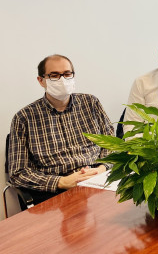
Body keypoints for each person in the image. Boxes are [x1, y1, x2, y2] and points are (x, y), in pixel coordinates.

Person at [9, 54, 114, 205]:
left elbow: (113, 144)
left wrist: (102, 169)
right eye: (54, 75)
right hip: (55, 191)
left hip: (98, 179)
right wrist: (61, 182)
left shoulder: (91, 103)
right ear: (41, 80)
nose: (62, 80)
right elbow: (18, 173)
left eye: (67, 74)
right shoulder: (24, 117)